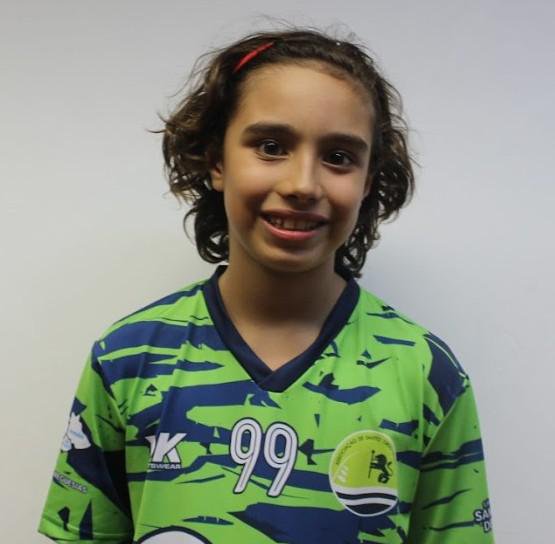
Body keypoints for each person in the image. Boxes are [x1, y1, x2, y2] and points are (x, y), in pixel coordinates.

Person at [38, 27, 494, 543]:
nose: (302, 184)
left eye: (339, 157)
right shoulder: (127, 357)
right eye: (271, 146)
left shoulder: (427, 374)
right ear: (217, 160)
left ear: (368, 180)